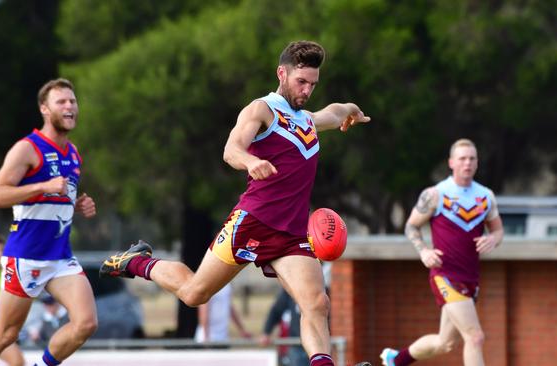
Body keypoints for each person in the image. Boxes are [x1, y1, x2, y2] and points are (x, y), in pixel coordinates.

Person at [100, 40, 371, 366]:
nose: (307, 90)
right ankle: (136, 262)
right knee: (194, 294)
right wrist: (248, 161)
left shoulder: (308, 121)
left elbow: (337, 110)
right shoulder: (261, 110)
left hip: (293, 232)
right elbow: (231, 149)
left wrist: (352, 111)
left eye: (313, 84)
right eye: (301, 82)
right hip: (253, 222)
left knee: (316, 303)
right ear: (281, 73)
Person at [0, 78, 98, 366]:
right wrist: (42, 187)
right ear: (44, 109)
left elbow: (57, 198)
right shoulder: (27, 149)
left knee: (86, 323)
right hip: (25, 256)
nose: (69, 107)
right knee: (5, 335)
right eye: (61, 102)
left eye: (73, 101)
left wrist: (77, 206)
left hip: (60, 257)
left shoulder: (73, 152)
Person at [380, 138, 504, 366]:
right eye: (462, 159)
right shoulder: (436, 194)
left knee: (445, 343)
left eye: (472, 158)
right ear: (451, 163)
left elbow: (498, 231)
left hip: (471, 278)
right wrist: (424, 251)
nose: (467, 163)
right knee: (475, 337)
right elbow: (411, 225)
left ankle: (395, 359)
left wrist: (492, 239)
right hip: (445, 275)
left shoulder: (486, 196)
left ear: (477, 163)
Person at [0, 235, 25, 366]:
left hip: (5, 329)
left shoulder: (12, 274)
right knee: (17, 362)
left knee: (17, 362)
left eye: (2, 250)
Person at [259, 288, 307, 366]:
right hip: (296, 344)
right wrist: (266, 332)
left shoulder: (322, 288)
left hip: (319, 345)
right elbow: (276, 311)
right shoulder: (291, 288)